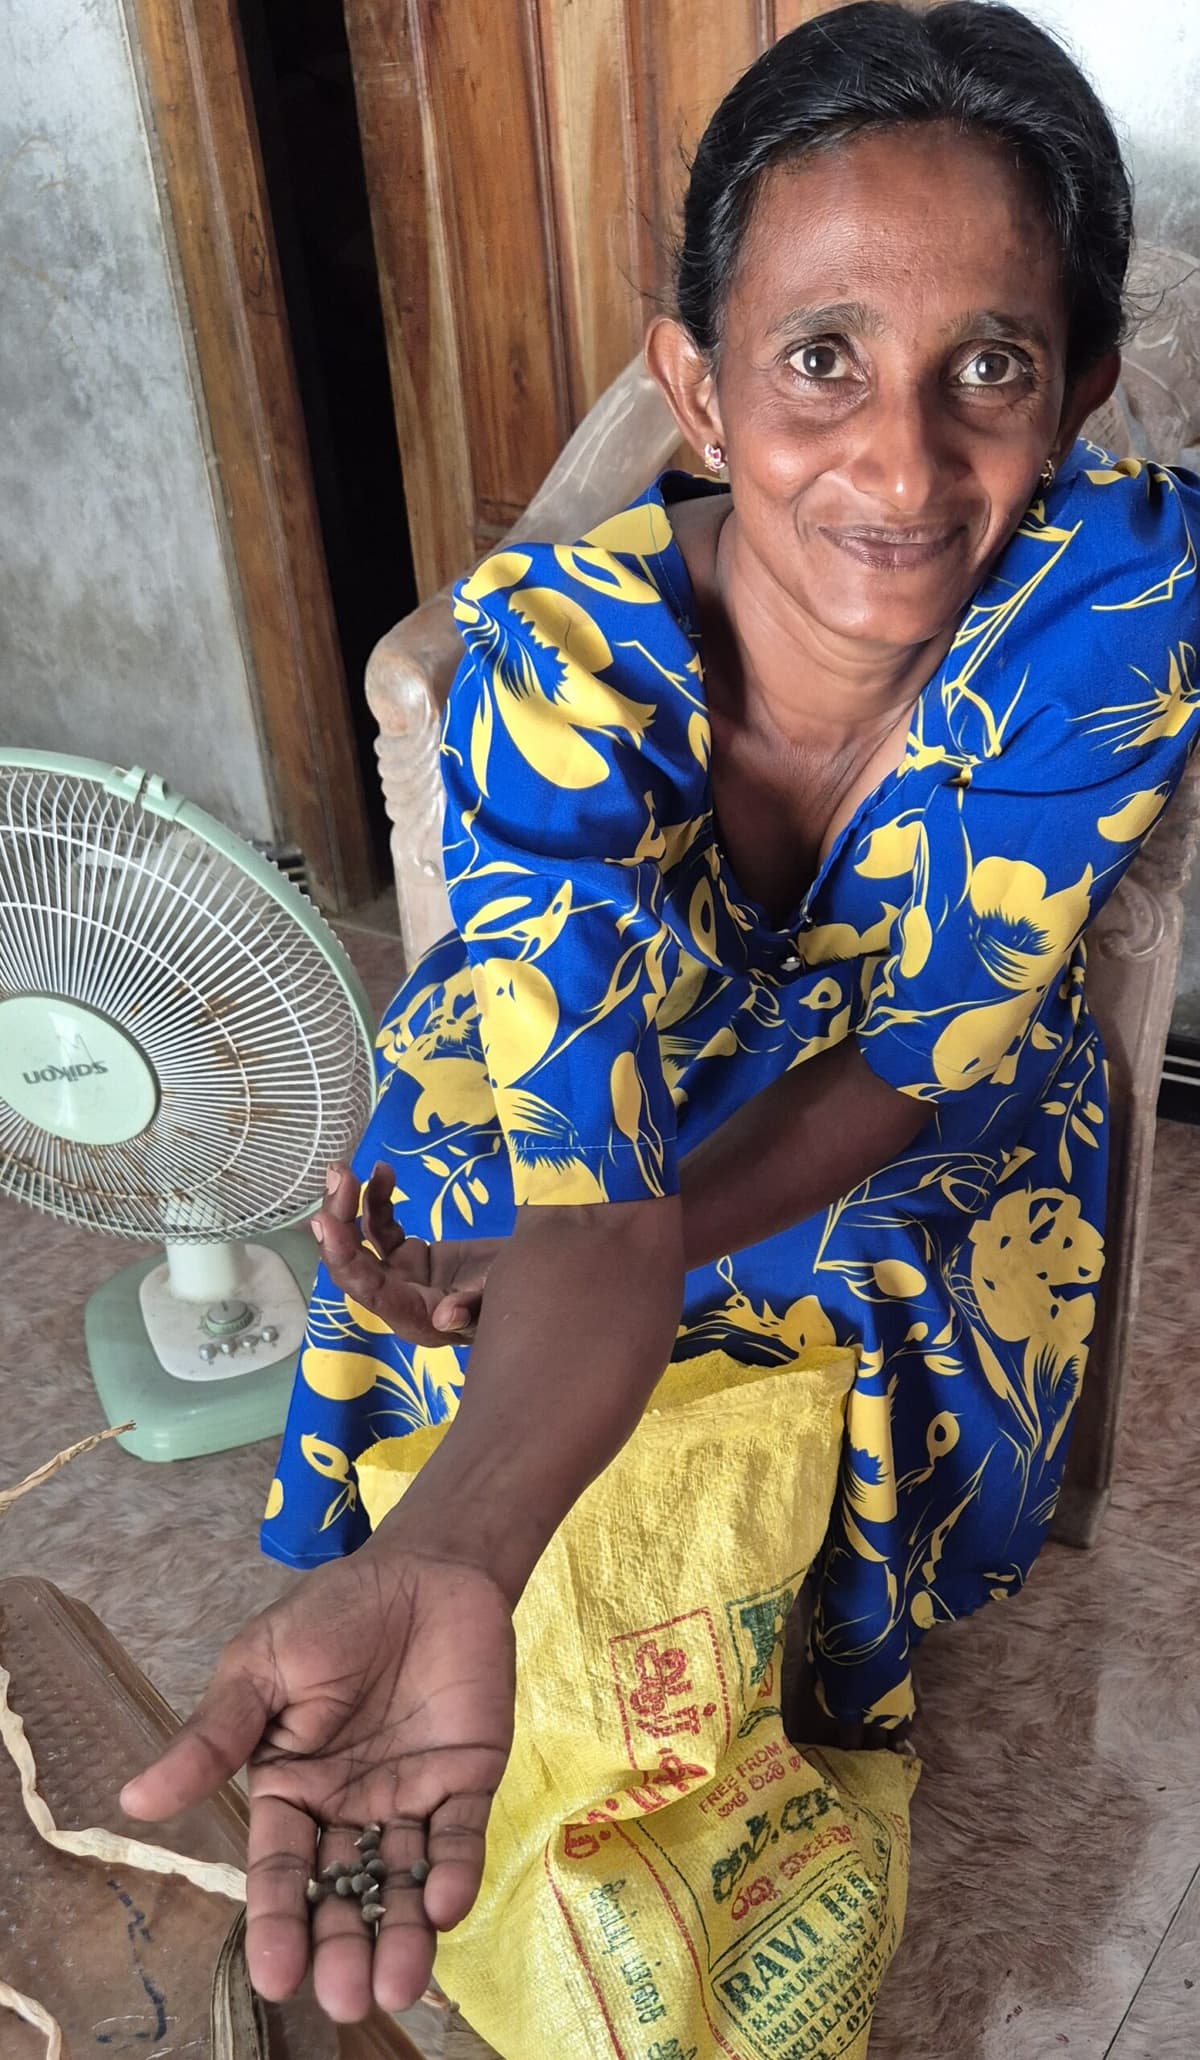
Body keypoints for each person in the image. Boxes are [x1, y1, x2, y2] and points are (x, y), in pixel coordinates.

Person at [122, 0, 1200, 2028]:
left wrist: (591, 1255)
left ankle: (813, 1645)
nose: (901, 458)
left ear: (1078, 398)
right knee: (449, 1167)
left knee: (860, 1247)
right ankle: (472, 1557)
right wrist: (463, 1533)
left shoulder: (1112, 603)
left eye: (992, 366)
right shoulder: (558, 663)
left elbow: (905, 1058)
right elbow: (589, 1188)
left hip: (921, 1073)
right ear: (694, 389)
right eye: (820, 360)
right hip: (617, 1048)